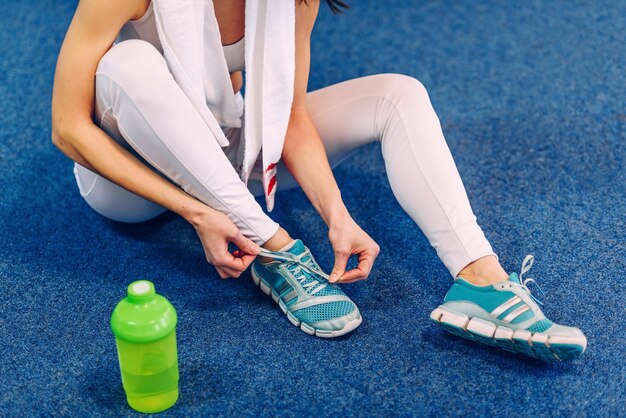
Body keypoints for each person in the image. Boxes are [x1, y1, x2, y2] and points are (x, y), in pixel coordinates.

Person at [51, 0, 586, 359]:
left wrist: (337, 215)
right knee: (129, 63)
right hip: (128, 182)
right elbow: (68, 127)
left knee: (397, 94)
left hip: (223, 147)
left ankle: (482, 282)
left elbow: (287, 111)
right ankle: (276, 249)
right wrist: (197, 212)